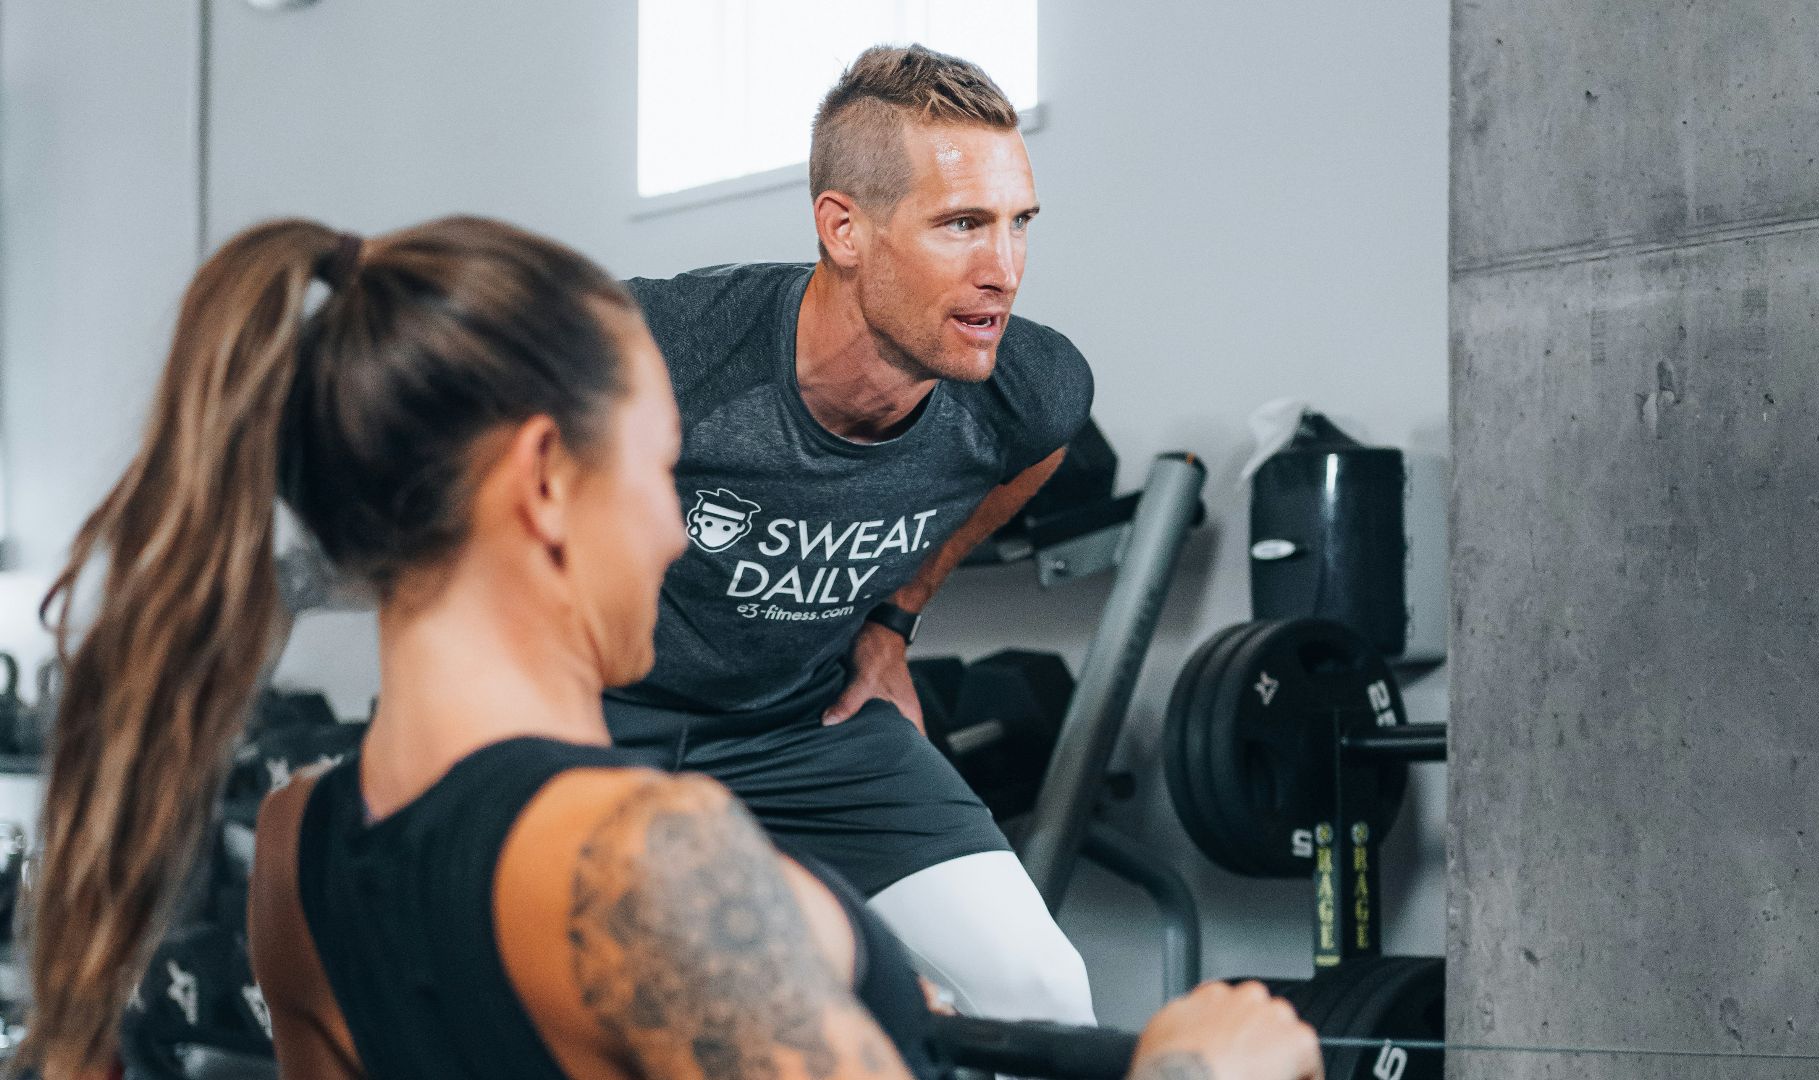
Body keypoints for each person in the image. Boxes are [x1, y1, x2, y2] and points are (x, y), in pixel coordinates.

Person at [19, 215, 1323, 1080]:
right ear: (543, 482)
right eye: (660, 471)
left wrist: (848, 985)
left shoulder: (302, 852)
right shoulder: (643, 864)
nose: (675, 534)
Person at [606, 44, 1098, 1027]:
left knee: (1042, 994)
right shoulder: (664, 346)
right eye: (962, 225)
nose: (1003, 270)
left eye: (1018, 225)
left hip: (806, 728)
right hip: (607, 725)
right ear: (845, 229)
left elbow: (1039, 451)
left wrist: (897, 616)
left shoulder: (1029, 387)